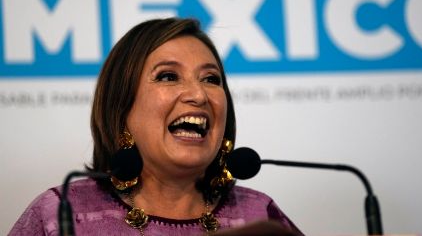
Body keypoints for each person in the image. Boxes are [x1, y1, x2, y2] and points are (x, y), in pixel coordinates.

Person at [9, 18, 302, 235]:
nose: (198, 95)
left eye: (211, 79)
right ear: (122, 107)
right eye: (167, 76)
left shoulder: (259, 216)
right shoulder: (64, 214)